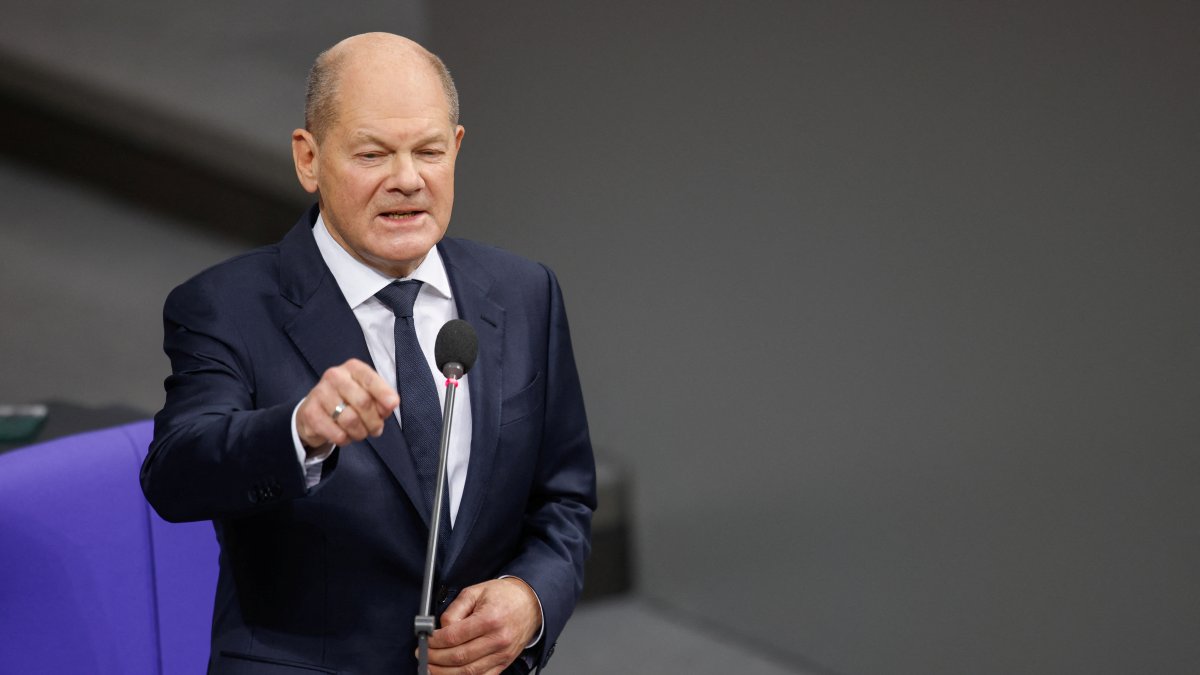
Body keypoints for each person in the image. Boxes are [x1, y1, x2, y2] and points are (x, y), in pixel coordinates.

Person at [140, 32, 596, 675]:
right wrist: (299, 430)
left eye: (429, 151)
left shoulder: (524, 293)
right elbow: (175, 474)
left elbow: (564, 499)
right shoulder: (227, 305)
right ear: (309, 158)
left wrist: (530, 600)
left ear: (456, 149)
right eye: (373, 154)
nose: (407, 180)